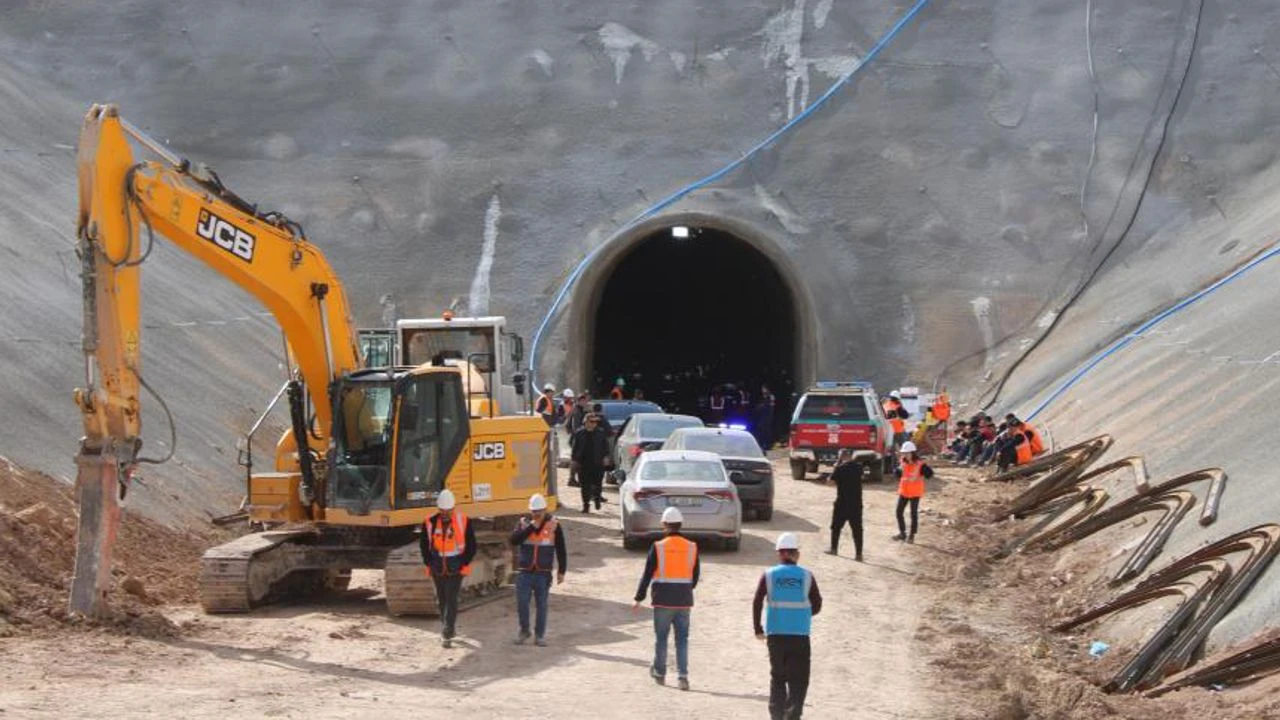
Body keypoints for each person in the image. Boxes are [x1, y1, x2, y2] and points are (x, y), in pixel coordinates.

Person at [754, 533, 823, 720]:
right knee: (799, 679)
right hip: (800, 635)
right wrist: (803, 615)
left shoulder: (769, 575)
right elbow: (817, 603)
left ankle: (776, 716)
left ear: (779, 553)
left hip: (776, 635)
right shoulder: (807, 576)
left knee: (778, 676)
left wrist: (758, 628)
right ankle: (792, 716)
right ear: (796, 554)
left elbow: (757, 600)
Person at [633, 507, 700, 691]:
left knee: (661, 638)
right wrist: (684, 590)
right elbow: (694, 576)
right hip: (684, 600)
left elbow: (647, 574)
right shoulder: (692, 547)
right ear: (680, 525)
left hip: (662, 600)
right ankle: (682, 677)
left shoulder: (658, 547)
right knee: (682, 640)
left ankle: (660, 673)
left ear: (664, 525)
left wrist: (639, 597)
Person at [418, 489, 476, 648]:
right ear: (438, 509)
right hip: (437, 566)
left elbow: (472, 545)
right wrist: (428, 562)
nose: (445, 513)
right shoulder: (429, 522)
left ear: (453, 508)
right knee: (441, 598)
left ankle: (447, 632)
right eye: (442, 510)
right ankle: (446, 626)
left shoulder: (463, 520)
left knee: (451, 598)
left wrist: (464, 562)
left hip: (455, 566)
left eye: (448, 510)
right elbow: (424, 545)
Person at [508, 493, 567, 646]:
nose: (537, 514)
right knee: (522, 602)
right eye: (534, 511)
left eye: (539, 511)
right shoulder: (523, 524)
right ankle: (524, 630)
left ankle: (539, 635)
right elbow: (514, 540)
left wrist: (562, 570)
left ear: (545, 510)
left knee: (542, 605)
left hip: (543, 572)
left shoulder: (554, 524)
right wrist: (531, 527)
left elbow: (561, 549)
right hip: (525, 571)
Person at [892, 441, 934, 543]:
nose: (905, 455)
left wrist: (926, 470)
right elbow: (897, 475)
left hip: (915, 492)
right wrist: (898, 469)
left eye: (907, 453)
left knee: (913, 514)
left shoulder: (920, 464)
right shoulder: (903, 461)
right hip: (904, 491)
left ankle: (912, 535)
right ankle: (902, 533)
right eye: (904, 453)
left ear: (912, 453)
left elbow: (930, 474)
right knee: (898, 512)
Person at [825, 450, 864, 560]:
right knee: (857, 530)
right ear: (850, 456)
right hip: (856, 503)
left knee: (836, 527)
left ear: (841, 457)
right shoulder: (859, 467)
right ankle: (858, 554)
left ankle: (833, 549)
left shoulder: (839, 469)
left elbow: (830, 482)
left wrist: (835, 469)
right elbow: (862, 478)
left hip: (842, 503)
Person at [571, 413, 612, 512]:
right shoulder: (579, 433)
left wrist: (606, 457)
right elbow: (574, 447)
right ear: (586, 422)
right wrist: (574, 460)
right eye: (592, 421)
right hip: (583, 464)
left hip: (597, 463)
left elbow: (606, 447)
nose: (594, 424)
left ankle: (597, 499)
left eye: (596, 422)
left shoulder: (600, 433)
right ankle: (586, 505)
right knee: (584, 486)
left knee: (597, 484)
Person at [754, 383, 777, 449]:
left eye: (763, 388)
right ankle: (762, 444)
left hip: (768, 416)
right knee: (761, 429)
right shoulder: (764, 397)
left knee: (766, 430)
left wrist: (760, 407)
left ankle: (767, 444)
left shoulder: (770, 396)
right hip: (763, 416)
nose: (762, 390)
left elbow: (768, 405)